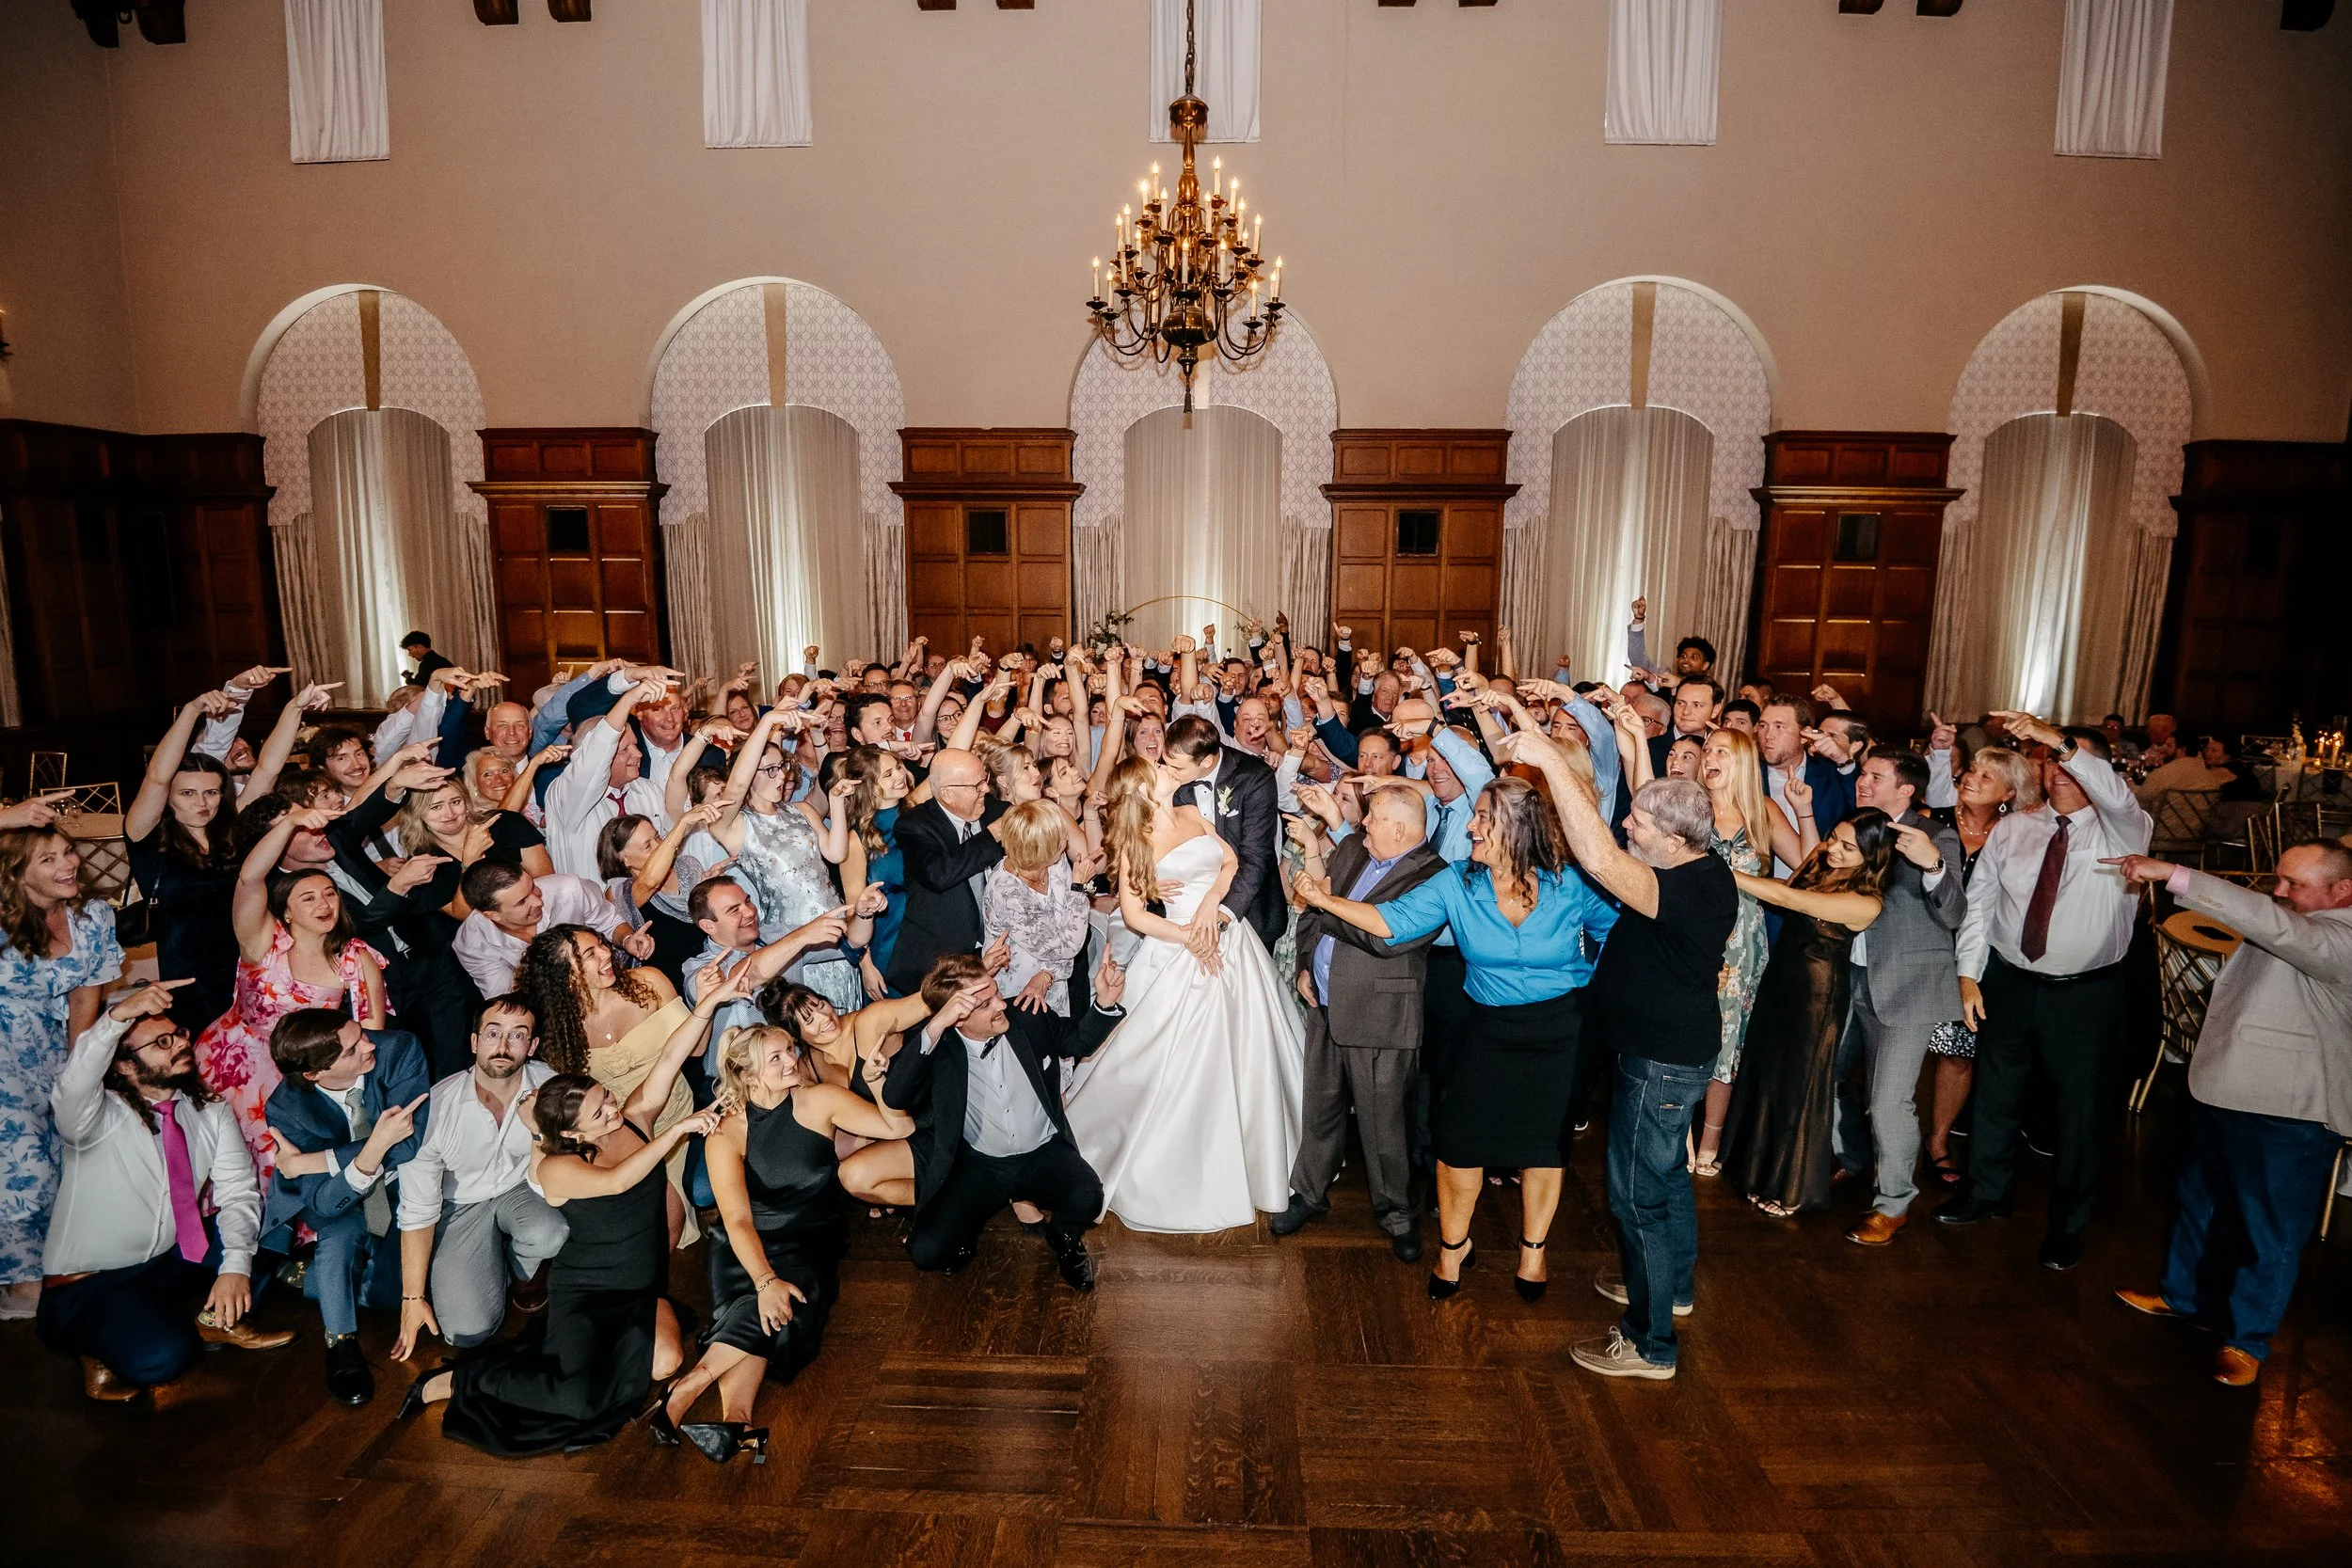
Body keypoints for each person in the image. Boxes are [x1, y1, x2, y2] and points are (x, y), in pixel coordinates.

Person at [1296, 760, 1618, 1303]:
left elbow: (1616, 932)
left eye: (1483, 817)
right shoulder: (1456, 882)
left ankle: (1533, 1252)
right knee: (1458, 1143)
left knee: (1544, 1148)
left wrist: (1599, 993)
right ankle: (1453, 1247)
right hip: (1487, 1026)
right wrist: (1326, 901)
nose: (1471, 825)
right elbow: (1393, 921)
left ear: (1515, 827)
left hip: (1561, 1031)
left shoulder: (1570, 884)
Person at [2106, 844, 2352, 1386]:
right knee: (2198, 1202)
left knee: (2271, 1231)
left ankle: (2247, 1341)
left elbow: (2274, 926)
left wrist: (2175, 874)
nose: (2278, 892)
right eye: (2278, 879)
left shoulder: (2339, 937)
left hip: (2290, 1109)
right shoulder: (2296, 919)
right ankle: (2185, 1298)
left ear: (2343, 892)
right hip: (2225, 1086)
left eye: (2294, 884)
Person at [1536, 736, 1737, 1380]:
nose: (1627, 824)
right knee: (1666, 1179)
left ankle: (1651, 1345)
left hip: (1660, 1064)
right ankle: (1672, 1288)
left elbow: (1597, 856)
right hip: (1662, 1057)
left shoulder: (1690, 888)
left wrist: (1547, 757)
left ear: (1675, 840)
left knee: (1636, 1198)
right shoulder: (1688, 867)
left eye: (1640, 823)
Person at [401, 1069, 726, 1453]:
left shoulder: (632, 1121)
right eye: (598, 1111)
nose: (612, 1107)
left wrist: (721, 1027)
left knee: (666, 1362)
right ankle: (458, 1380)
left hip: (639, 1290)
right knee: (579, 1401)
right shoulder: (557, 1168)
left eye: (606, 1096)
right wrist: (677, 1131)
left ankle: (586, 1360)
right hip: (587, 1293)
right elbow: (617, 1181)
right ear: (573, 1135)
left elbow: (670, 1059)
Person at [1942, 718, 2152, 1271]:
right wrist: (1968, 974)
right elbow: (1981, 904)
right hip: (2009, 980)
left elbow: (2116, 798)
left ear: (2102, 771)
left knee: (2078, 1112)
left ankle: (2068, 1226)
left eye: (2072, 759)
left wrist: (2058, 738)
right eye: (2053, 759)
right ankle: (1986, 1193)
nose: (2059, 769)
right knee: (1995, 1092)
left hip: (2084, 994)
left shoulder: (2125, 829)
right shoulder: (2016, 826)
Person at [652, 1021, 914, 1463]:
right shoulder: (726, 1132)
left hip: (811, 1239)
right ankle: (736, 1422)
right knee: (766, 1304)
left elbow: (899, 1127)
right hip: (745, 1243)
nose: (793, 1060)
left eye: (791, 1050)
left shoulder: (820, 1100)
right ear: (748, 1074)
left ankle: (687, 1388)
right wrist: (764, 1279)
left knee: (785, 1303)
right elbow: (737, 1219)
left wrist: (876, 1082)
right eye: (777, 1057)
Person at [1063, 755, 1306, 1233]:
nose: (1165, 766)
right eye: (1156, 767)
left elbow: (1231, 862)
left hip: (1230, 940)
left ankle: (1264, 1156)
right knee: (1165, 1060)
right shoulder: (1136, 841)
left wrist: (1213, 905)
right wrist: (1189, 936)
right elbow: (1135, 915)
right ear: (1141, 788)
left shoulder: (1194, 811)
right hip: (1178, 951)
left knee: (1250, 1049)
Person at [38, 981, 294, 1400]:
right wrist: (117, 1017)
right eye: (161, 1043)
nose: (179, 1044)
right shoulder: (91, 1117)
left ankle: (216, 1320)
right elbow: (73, 1084)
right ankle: (90, 1345)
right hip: (89, 1284)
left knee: (271, 1227)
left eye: (177, 1035)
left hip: (164, 1261)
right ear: (124, 1066)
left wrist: (234, 1269)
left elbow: (238, 1192)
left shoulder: (209, 1110)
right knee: (167, 1357)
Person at [883, 952, 1126, 1287]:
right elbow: (895, 1096)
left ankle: (1065, 1240)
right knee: (928, 1252)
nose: (1001, 1004)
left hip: (1043, 1153)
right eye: (985, 1004)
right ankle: (964, 1237)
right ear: (957, 1019)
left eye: (996, 991)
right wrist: (936, 1025)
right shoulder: (938, 1044)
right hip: (981, 1165)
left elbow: (1078, 1041)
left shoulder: (1028, 1016)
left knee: (1089, 1197)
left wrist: (1104, 1003)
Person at [1274, 786, 1446, 1259]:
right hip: (1325, 1002)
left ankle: (1397, 1215)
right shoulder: (1354, 850)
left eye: (1374, 817)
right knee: (1319, 1108)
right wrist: (1306, 965)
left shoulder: (1432, 876)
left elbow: (1384, 940)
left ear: (1400, 829)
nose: (1363, 823)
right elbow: (1311, 915)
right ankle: (1309, 1193)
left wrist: (1324, 904)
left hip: (1380, 1015)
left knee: (1384, 1126)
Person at [193, 806, 388, 1182]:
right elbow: (250, 878)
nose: (324, 904)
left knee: (278, 1165)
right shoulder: (262, 942)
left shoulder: (355, 958)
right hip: (226, 1063)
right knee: (215, 1164)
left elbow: (370, 1033)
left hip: (293, 1078)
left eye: (329, 894)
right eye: (308, 898)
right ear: (286, 912)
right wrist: (289, 823)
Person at [1717, 813, 1894, 1217]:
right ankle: (1757, 1173)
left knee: (1800, 1086)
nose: (1834, 849)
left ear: (1872, 858)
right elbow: (1787, 889)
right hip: (1780, 981)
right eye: (1834, 838)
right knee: (1768, 1075)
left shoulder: (1867, 902)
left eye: (1848, 848)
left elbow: (1791, 900)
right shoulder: (1821, 858)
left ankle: (1790, 1188)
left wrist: (1723, 872)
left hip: (1818, 997)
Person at [259, 1009, 430, 1404]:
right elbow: (325, 1202)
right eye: (353, 1050)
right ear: (314, 1074)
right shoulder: (285, 1109)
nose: (370, 1045)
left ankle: (312, 1279)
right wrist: (372, 1148)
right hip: (337, 1199)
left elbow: (408, 1142)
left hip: (399, 1185)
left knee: (391, 1293)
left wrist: (311, 1160)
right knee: (337, 1238)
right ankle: (339, 1341)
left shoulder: (398, 1049)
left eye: (361, 1033)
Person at [389, 994, 568, 1365]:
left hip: (522, 1188)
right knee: (466, 1332)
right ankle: (487, 1263)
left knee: (551, 1232)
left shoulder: (549, 1086)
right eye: (492, 1033)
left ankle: (521, 1269)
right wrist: (412, 1298)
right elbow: (418, 1210)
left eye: (518, 1035)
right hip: (458, 1205)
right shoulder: (435, 1110)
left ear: (532, 1046)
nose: (503, 1046)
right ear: (474, 1042)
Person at [1836, 751, 1968, 1245]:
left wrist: (1932, 865)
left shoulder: (1936, 836)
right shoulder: (1854, 827)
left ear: (1906, 789)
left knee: (1889, 1099)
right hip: (1849, 974)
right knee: (1826, 1075)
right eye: (1862, 774)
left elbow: (1955, 914)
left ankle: (1893, 1205)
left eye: (1875, 776)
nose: (1863, 782)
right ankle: (1855, 1159)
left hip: (1908, 983)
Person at [0, 825, 125, 1319]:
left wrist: (80, 1072)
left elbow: (85, 998)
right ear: (16, 874)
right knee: (23, 1165)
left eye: (68, 851)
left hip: (58, 1048)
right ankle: (23, 1281)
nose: (68, 864)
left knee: (67, 1155)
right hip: (4, 1055)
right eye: (48, 859)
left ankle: (64, 1265)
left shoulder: (92, 917)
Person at [1921, 743, 2041, 1186]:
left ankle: (1938, 1140)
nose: (1969, 778)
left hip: (1977, 955)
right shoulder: (1931, 821)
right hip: (1920, 948)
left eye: (1985, 776)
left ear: (2008, 794)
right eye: (1970, 770)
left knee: (1957, 1052)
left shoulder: (2016, 837)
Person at [1691, 727, 1781, 1178]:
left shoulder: (1762, 811)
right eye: (1707, 750)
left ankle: (1711, 1139)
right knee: (1685, 1031)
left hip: (1742, 945)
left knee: (1727, 1043)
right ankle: (1679, 1136)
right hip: (1693, 936)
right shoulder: (1691, 806)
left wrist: (1804, 811)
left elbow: (1809, 864)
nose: (1710, 756)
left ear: (1742, 761)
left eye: (1721, 751)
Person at [882, 747, 1008, 996]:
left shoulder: (997, 811)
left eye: (985, 780)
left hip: (998, 952)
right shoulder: (914, 825)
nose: (985, 789)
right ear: (947, 794)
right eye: (976, 785)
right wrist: (991, 835)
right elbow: (939, 874)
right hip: (939, 964)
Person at [1160, 714, 1287, 950]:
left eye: (1176, 767)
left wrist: (1222, 915)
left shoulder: (1254, 777)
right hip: (1186, 909)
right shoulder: (1168, 782)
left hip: (1249, 908)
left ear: (1207, 761)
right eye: (1165, 762)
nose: (1168, 771)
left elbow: (1256, 856)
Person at [543, 673, 673, 879]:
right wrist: (628, 699)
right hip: (592, 900)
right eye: (625, 749)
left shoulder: (648, 791)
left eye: (635, 745)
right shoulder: (567, 795)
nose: (638, 755)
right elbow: (597, 750)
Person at [453, 861, 633, 1000]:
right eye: (522, 901)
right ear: (493, 915)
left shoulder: (570, 889)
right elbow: (507, 997)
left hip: (607, 981)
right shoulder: (472, 943)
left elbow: (609, 921)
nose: (538, 901)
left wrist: (628, 939)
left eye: (533, 887)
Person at [980, 800, 1092, 1018]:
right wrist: (1078, 888)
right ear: (1039, 850)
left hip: (1050, 979)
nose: (1065, 841)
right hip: (1021, 988)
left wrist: (1048, 974)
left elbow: (1065, 927)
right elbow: (1067, 945)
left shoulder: (1055, 862)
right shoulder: (1007, 892)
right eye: (1059, 838)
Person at [1756, 698, 1851, 873]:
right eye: (1763, 726)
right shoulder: (1748, 775)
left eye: (1779, 727)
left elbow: (1860, 813)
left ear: (1805, 735)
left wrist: (1843, 760)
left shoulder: (1830, 775)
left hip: (1821, 881)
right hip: (1763, 885)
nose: (1768, 735)